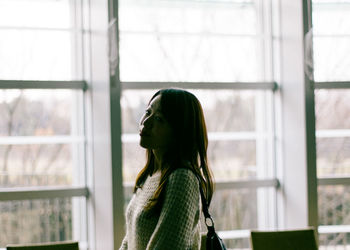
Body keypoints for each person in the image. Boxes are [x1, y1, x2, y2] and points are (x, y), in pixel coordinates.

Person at [119, 88, 214, 250]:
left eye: (159, 119)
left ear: (179, 131)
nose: (146, 122)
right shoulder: (149, 175)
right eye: (147, 112)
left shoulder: (182, 178)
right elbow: (129, 241)